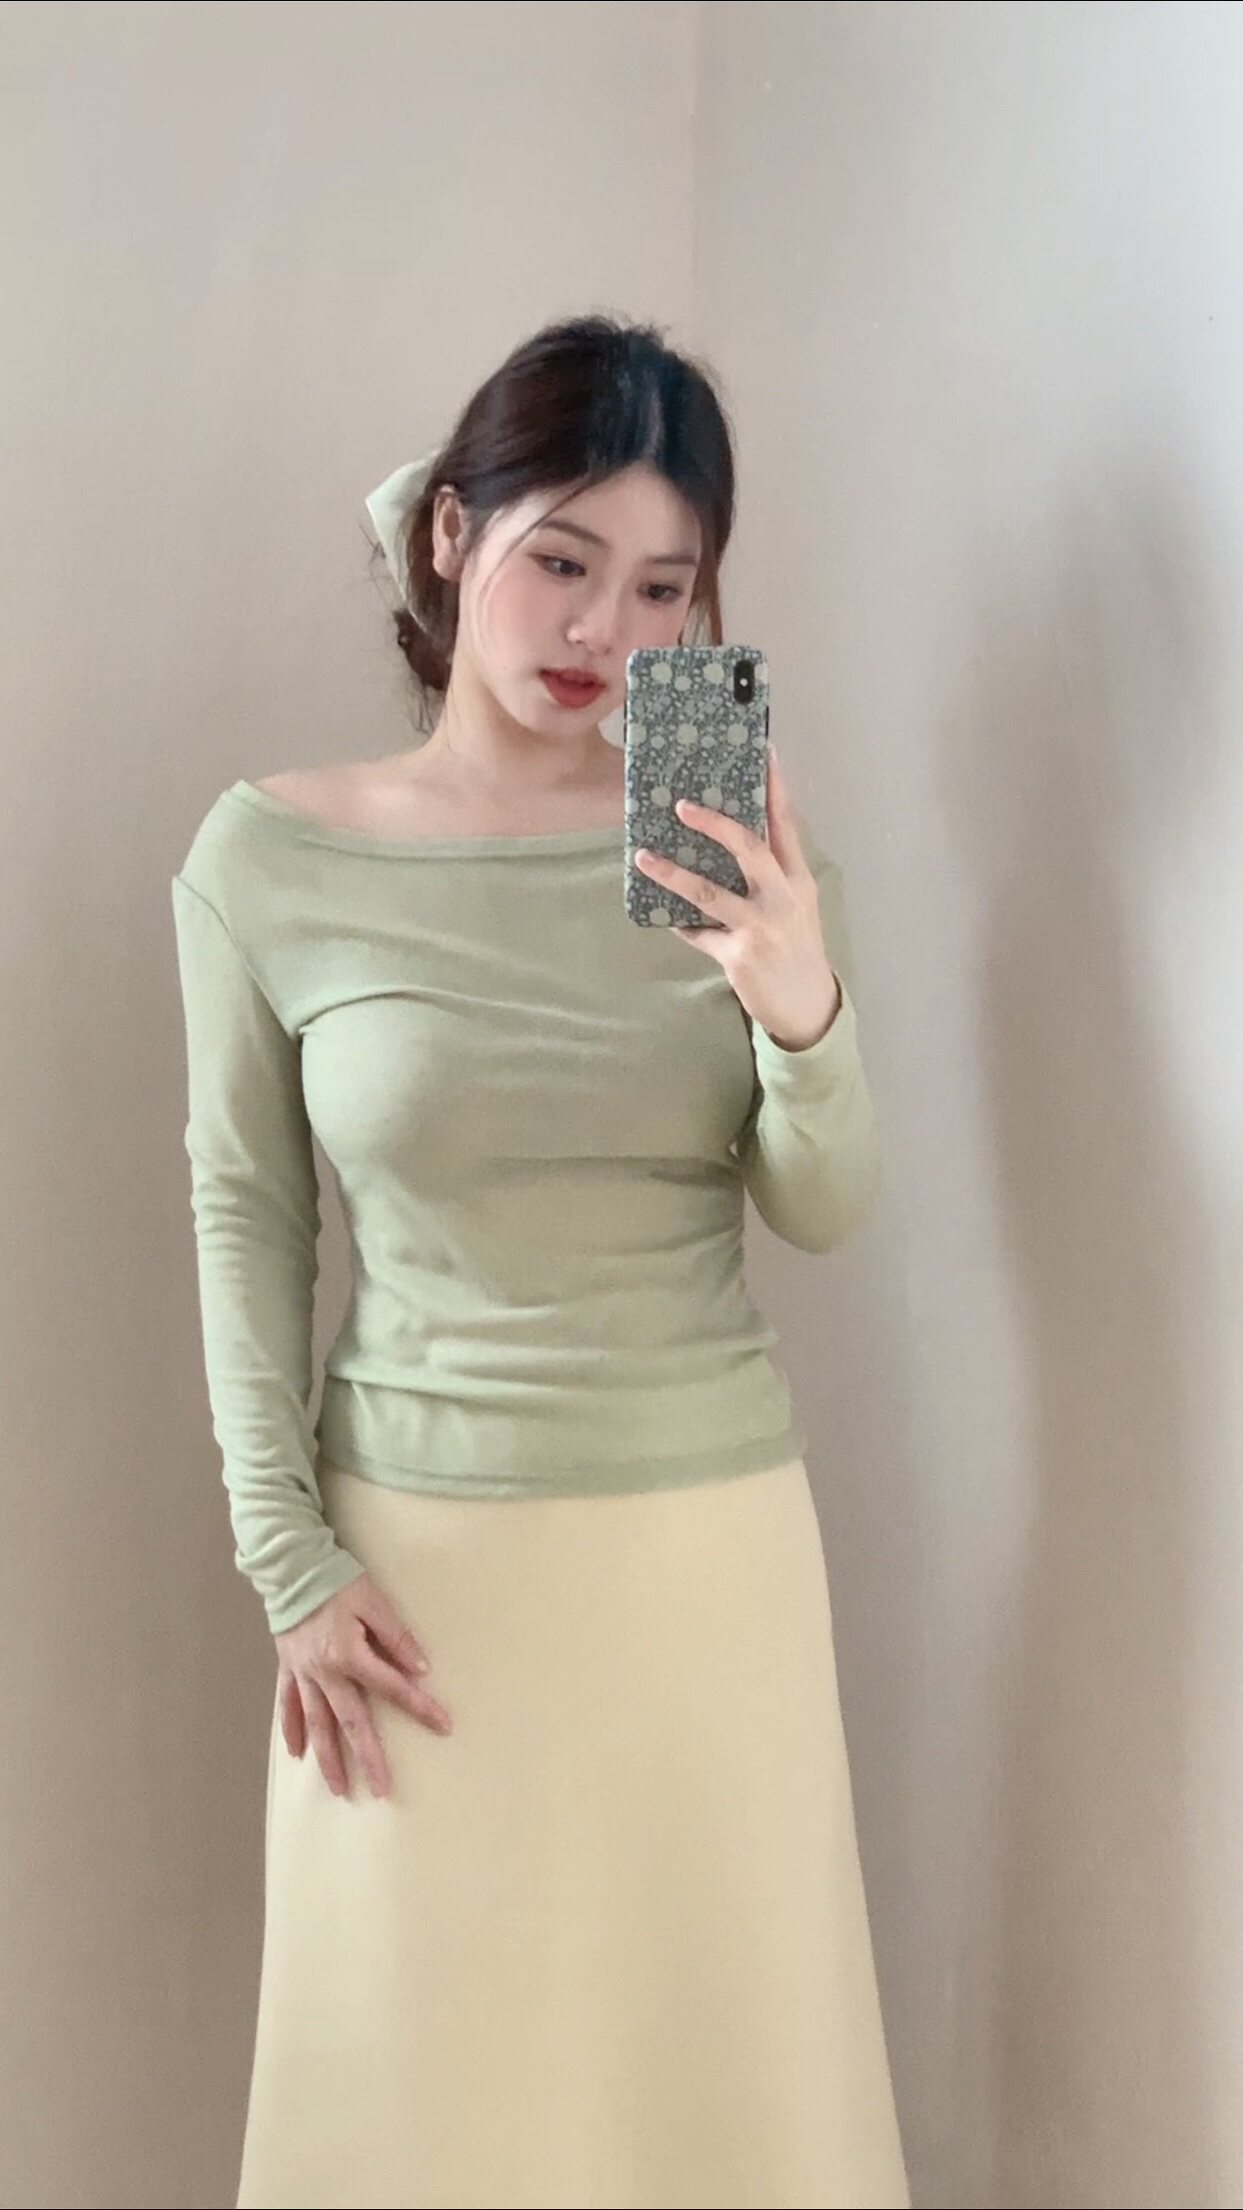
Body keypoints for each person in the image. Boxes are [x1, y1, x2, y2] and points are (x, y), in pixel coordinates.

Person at [169, 311, 910, 2210]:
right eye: (564, 559)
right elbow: (249, 1216)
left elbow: (824, 1205)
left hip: (706, 1560)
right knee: (418, 2097)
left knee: (716, 2093)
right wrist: (286, 1559)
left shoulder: (724, 834)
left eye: (665, 587)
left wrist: (797, 995)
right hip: (412, 1587)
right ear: (451, 533)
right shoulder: (267, 860)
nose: (607, 632)